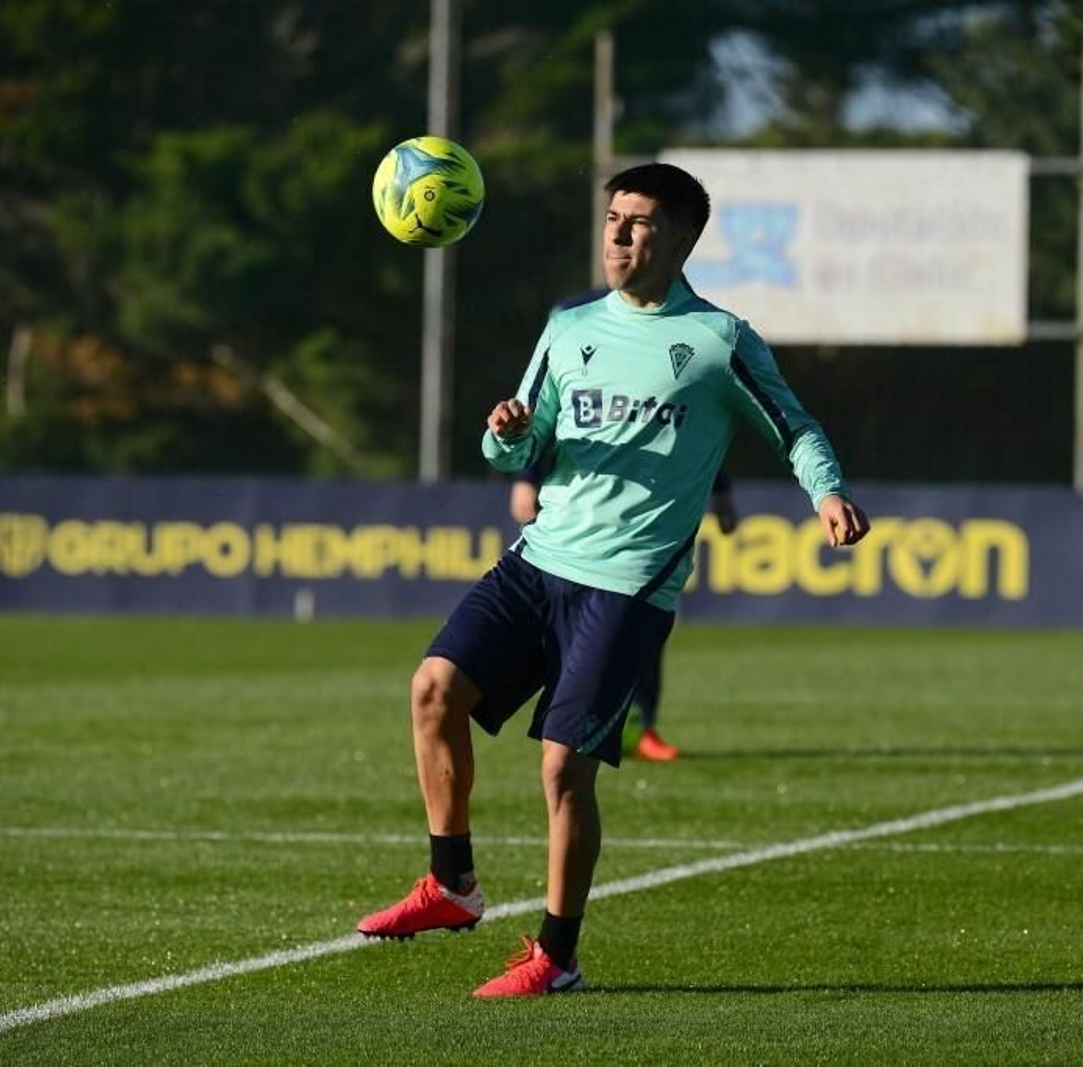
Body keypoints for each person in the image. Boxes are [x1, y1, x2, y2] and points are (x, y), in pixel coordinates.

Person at [357, 162, 870, 993]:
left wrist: (828, 490)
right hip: (538, 560)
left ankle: (555, 958)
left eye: (638, 222)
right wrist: (507, 432)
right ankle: (452, 882)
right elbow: (519, 446)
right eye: (612, 220)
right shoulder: (569, 325)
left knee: (564, 767)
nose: (619, 235)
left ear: (682, 239)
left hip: (627, 584)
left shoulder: (718, 340)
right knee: (432, 689)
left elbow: (794, 425)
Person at [511, 457, 738, 762]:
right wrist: (527, 475)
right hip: (581, 518)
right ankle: (572, 726)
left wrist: (721, 490)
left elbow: (693, 425)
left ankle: (639, 726)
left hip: (649, 521)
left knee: (638, 627)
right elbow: (551, 414)